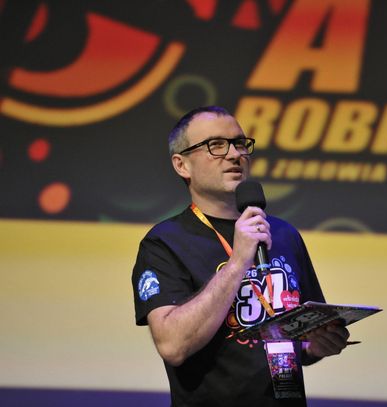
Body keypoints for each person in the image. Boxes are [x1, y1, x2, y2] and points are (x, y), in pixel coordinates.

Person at [132, 106, 350, 406]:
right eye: (216, 145)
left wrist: (315, 347)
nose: (235, 155)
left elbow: (304, 335)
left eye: (239, 143)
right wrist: (237, 262)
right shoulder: (164, 243)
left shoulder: (283, 234)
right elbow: (172, 345)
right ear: (182, 165)